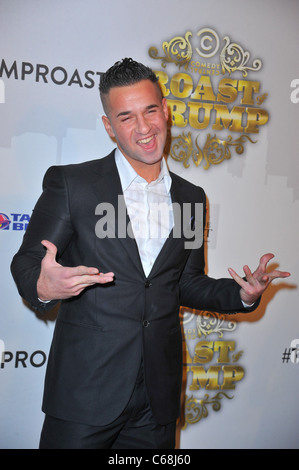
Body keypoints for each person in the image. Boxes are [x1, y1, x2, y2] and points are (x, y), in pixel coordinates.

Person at [11, 58, 290, 449]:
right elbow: (26, 263)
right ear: (109, 127)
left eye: (150, 110)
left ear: (166, 110)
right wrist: (43, 284)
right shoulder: (73, 184)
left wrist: (241, 294)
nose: (143, 128)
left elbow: (187, 283)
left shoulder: (191, 197)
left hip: (156, 398)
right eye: (126, 117)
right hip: (85, 392)